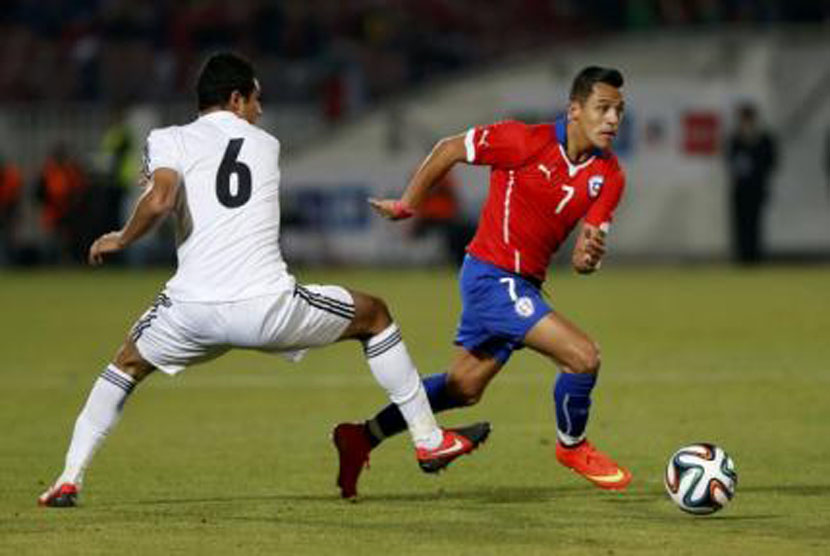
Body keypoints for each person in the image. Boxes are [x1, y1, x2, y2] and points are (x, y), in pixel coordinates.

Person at [38, 52, 489, 508]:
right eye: (256, 99)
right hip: (267, 307)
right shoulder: (266, 145)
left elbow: (160, 200)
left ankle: (68, 479)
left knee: (124, 367)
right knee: (374, 315)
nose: (260, 109)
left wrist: (121, 237)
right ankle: (428, 440)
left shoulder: (167, 138)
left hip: (190, 311)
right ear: (236, 100)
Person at [333, 66, 630, 500]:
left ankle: (362, 436)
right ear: (574, 109)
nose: (612, 120)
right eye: (603, 108)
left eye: (619, 111)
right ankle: (572, 447)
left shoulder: (610, 175)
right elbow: (448, 148)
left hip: (522, 286)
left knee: (463, 388)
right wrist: (407, 205)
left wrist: (588, 258)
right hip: (492, 277)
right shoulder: (524, 141)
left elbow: (588, 250)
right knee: (583, 357)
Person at [725, 103, 777, 265]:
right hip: (740, 189)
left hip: (757, 188)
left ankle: (755, 256)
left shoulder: (764, 139)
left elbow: (771, 161)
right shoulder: (735, 139)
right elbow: (730, 161)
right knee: (741, 224)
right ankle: (742, 257)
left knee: (756, 223)